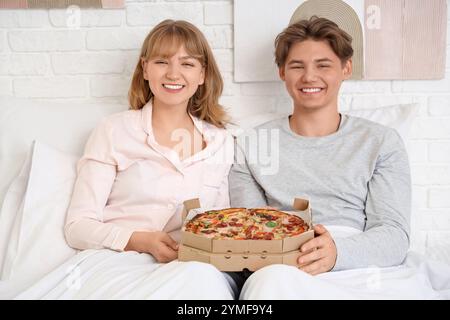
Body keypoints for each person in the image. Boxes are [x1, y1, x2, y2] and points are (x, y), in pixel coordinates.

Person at [23, 19, 236, 299]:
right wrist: (139, 240)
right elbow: (78, 228)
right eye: (162, 62)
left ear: (202, 74)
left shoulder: (221, 141)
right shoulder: (113, 130)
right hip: (117, 264)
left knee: (202, 280)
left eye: (187, 63)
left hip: (190, 270)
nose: (174, 74)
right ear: (145, 69)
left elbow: (221, 225)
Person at [228, 16, 432, 299]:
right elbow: (251, 231)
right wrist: (292, 253)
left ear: (346, 68)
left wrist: (337, 252)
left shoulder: (381, 141)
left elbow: (394, 235)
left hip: (357, 259)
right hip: (282, 266)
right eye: (297, 66)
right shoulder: (250, 144)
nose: (309, 77)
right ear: (282, 73)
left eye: (323, 65)